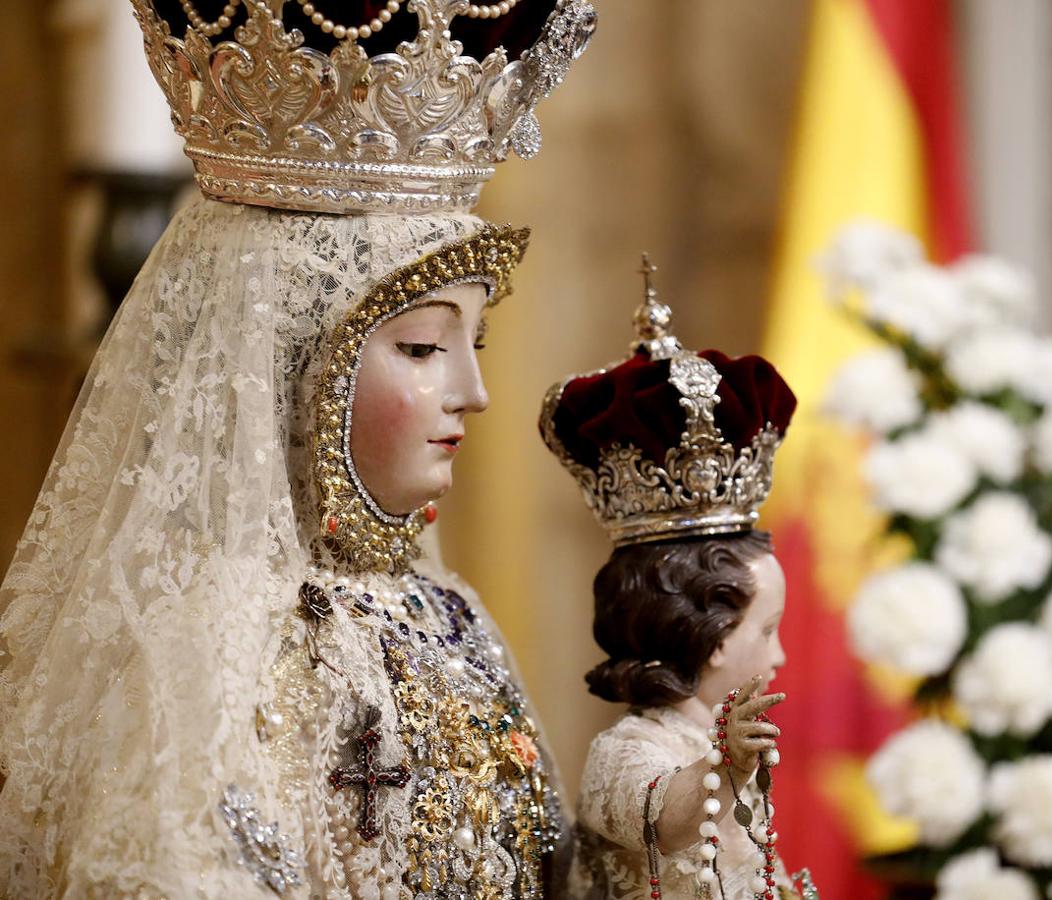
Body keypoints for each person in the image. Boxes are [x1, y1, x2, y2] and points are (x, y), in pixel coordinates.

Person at [0, 1, 594, 896]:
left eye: (479, 346)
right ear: (291, 367)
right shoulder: (208, 659)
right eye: (426, 348)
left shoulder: (450, 616)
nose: (472, 392)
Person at [540, 260, 818, 899]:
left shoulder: (708, 734)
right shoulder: (627, 750)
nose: (778, 654)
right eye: (766, 629)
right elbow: (666, 816)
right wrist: (724, 763)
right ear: (714, 634)